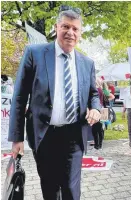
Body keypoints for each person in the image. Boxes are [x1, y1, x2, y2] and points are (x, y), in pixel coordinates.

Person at [8, 6, 101, 200]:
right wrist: (17, 138)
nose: (70, 32)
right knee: (50, 189)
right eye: (65, 26)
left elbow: (93, 93)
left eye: (75, 29)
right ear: (56, 27)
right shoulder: (35, 53)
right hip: (44, 135)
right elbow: (19, 97)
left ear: (80, 33)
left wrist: (96, 108)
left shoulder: (87, 63)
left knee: (70, 188)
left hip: (74, 135)